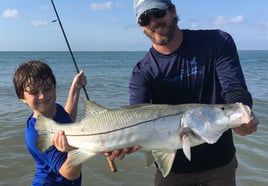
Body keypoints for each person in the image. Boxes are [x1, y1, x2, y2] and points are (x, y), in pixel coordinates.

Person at [106, 0, 259, 185]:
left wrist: (243, 111)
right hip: (171, 170)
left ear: (172, 10)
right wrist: (120, 143)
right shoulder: (143, 71)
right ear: (141, 27)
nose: (153, 22)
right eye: (145, 19)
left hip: (220, 165)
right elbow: (135, 117)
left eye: (157, 13)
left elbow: (234, 88)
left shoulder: (217, 42)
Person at [13, 60, 87, 186]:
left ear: (54, 87)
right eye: (34, 92)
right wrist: (75, 150)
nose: (42, 96)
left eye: (47, 89)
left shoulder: (55, 108)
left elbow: (68, 118)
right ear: (22, 98)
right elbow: (69, 174)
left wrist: (75, 88)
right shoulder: (36, 133)